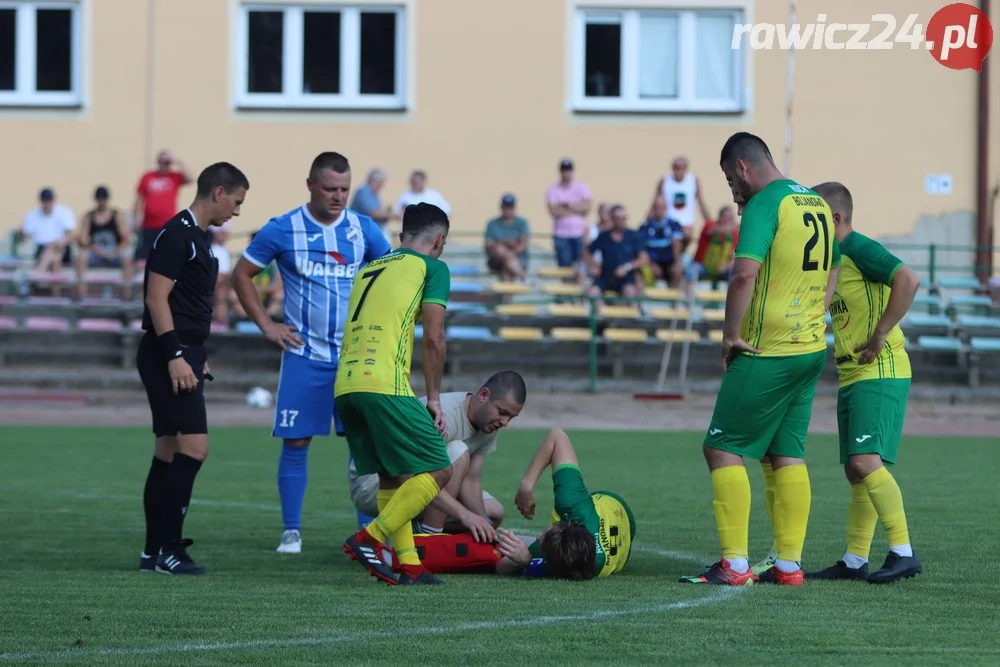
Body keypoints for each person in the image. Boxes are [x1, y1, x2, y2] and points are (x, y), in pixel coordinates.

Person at [679, 132, 839, 587]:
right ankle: (788, 566)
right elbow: (834, 266)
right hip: (809, 347)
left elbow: (743, 273)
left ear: (744, 168)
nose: (733, 190)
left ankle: (734, 564)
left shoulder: (766, 204)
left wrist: (730, 335)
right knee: (785, 452)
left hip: (767, 348)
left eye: (731, 179)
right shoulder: (815, 203)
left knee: (721, 447)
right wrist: (815, 313)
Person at [230, 152, 391, 555]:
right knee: (297, 441)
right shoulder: (283, 229)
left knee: (363, 445)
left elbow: (391, 277)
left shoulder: (363, 229)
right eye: (330, 189)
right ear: (310, 185)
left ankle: (366, 534)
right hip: (304, 355)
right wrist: (267, 325)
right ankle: (291, 532)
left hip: (355, 359)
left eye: (344, 189)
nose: (338, 197)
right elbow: (241, 274)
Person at [337, 203, 495, 586]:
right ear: (439, 240)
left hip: (345, 385)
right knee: (439, 467)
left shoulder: (370, 266)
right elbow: (435, 338)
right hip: (384, 384)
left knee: (392, 476)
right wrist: (435, 397)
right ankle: (369, 538)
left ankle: (408, 564)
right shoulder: (433, 267)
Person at [803, 182, 922, 584]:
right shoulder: (834, 260)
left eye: (817, 218)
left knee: (864, 461)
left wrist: (881, 332)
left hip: (880, 369)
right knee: (856, 471)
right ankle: (855, 560)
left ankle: (903, 552)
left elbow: (908, 279)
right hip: (854, 374)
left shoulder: (858, 247)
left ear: (834, 218)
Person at [136, 162, 249, 575]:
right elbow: (156, 299)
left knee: (167, 451)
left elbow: (187, 305)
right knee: (195, 449)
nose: (236, 212)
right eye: (236, 202)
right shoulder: (177, 234)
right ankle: (170, 549)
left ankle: (153, 552)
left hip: (183, 351)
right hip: (169, 353)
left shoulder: (197, 238)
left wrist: (195, 355)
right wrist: (176, 355)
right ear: (218, 192)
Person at [419, 428, 636, 580]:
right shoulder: (574, 504)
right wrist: (526, 486)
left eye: (542, 541)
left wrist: (525, 561)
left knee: (502, 534)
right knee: (497, 523)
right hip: (616, 506)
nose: (542, 533)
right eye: (548, 532)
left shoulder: (567, 563)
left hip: (622, 545)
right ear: (568, 521)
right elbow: (557, 436)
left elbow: (502, 568)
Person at [348, 371, 527, 533]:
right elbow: (409, 476)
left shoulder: (489, 425)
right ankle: (429, 538)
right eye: (502, 412)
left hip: (418, 482)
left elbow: (471, 481)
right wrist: (464, 514)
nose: (505, 422)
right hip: (374, 483)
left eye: (510, 417)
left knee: (494, 513)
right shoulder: (443, 414)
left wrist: (484, 524)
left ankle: (414, 530)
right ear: (484, 395)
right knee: (458, 452)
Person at [75, 186, 134, 300]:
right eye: (99, 199)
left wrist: (116, 251)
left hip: (114, 251)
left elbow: (126, 239)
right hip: (95, 252)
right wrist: (93, 248)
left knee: (127, 259)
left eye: (104, 199)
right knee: (81, 257)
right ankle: (81, 294)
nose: (102, 202)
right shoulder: (89, 217)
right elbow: (82, 240)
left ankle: (127, 295)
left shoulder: (117, 215)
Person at [133, 150, 193, 262]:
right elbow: (140, 198)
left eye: (167, 162)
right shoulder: (148, 176)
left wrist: (178, 162)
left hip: (168, 225)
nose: (164, 165)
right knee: (145, 256)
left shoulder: (174, 176)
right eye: (162, 162)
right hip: (148, 225)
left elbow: (191, 179)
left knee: (167, 254)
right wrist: (136, 218)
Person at [583, 204, 648, 299]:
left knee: (630, 293)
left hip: (626, 279)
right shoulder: (603, 236)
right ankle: (598, 314)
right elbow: (586, 253)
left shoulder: (634, 236)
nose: (621, 222)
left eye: (623, 218)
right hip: (605, 276)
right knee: (592, 293)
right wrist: (594, 265)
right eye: (618, 219)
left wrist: (627, 267)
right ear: (612, 219)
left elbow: (644, 259)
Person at [638, 195, 684, 288]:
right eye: (657, 207)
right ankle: (645, 300)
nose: (659, 210)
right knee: (641, 271)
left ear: (665, 208)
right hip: (652, 262)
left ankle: (674, 301)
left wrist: (677, 264)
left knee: (678, 272)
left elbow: (677, 245)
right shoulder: (645, 227)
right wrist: (651, 263)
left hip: (669, 262)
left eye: (661, 207)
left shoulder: (674, 225)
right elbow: (642, 249)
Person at [484, 194, 530, 282]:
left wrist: (511, 253)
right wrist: (506, 243)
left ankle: (506, 295)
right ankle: (523, 276)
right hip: (497, 259)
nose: (508, 210)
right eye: (506, 207)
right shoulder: (493, 224)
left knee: (507, 268)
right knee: (499, 249)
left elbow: (523, 244)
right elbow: (488, 244)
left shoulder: (522, 223)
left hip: (516, 258)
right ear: (501, 208)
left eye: (510, 207)